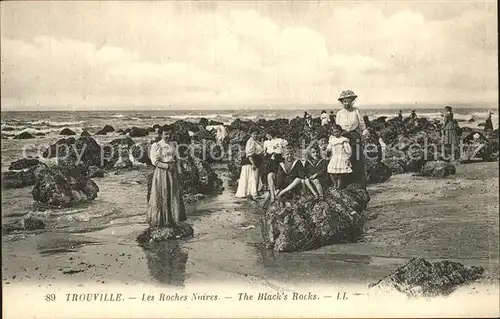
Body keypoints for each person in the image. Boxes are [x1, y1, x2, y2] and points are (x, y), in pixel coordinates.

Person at [146, 127, 187, 228]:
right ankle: (162, 220)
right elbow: (154, 161)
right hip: (162, 172)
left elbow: (177, 158)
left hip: (173, 172)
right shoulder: (157, 145)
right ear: (161, 134)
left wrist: (179, 170)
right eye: (165, 134)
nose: (168, 136)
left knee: (173, 194)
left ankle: (173, 219)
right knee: (162, 194)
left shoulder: (174, 144)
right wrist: (167, 166)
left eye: (169, 134)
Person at [335, 90, 368, 187]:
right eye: (345, 101)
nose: (346, 103)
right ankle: (345, 182)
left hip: (355, 136)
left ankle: (358, 182)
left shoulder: (356, 111)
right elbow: (336, 128)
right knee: (344, 159)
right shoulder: (339, 113)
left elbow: (362, 126)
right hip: (343, 137)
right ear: (342, 102)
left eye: (348, 101)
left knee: (357, 158)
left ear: (352, 101)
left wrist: (365, 133)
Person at [235, 129, 264, 199]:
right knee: (254, 177)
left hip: (256, 160)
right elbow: (249, 154)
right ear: (251, 134)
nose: (256, 135)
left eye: (256, 134)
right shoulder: (250, 141)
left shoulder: (255, 141)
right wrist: (253, 164)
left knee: (254, 178)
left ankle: (253, 192)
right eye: (254, 134)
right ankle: (254, 193)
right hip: (251, 161)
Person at [263, 130, 288, 201]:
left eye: (268, 134)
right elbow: (265, 152)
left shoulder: (281, 140)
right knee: (269, 175)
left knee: (278, 174)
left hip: (278, 159)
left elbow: (285, 149)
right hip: (270, 159)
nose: (267, 136)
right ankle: (272, 194)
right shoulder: (267, 142)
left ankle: (276, 192)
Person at [326, 125, 352, 190]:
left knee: (340, 173)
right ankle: (335, 183)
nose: (336, 133)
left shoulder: (343, 140)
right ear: (333, 133)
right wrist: (328, 151)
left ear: (340, 132)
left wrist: (347, 157)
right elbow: (329, 148)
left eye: (338, 132)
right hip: (334, 157)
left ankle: (339, 185)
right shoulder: (332, 140)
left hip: (342, 157)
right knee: (331, 171)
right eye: (335, 132)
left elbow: (348, 150)